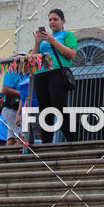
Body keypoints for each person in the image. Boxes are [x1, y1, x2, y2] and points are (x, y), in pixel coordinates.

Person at [30, 9, 77, 144]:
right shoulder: (44, 39)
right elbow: (33, 58)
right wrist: (37, 43)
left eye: (55, 19)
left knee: (59, 107)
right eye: (50, 19)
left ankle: (71, 140)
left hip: (57, 73)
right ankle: (46, 143)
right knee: (45, 110)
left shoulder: (67, 35)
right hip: (41, 74)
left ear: (63, 20)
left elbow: (71, 54)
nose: (52, 22)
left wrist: (53, 41)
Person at [1, 61, 25, 145]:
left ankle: (6, 155)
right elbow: (5, 89)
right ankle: (11, 157)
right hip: (12, 109)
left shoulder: (23, 75)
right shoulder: (13, 72)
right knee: (23, 136)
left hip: (16, 109)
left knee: (11, 138)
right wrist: (25, 93)